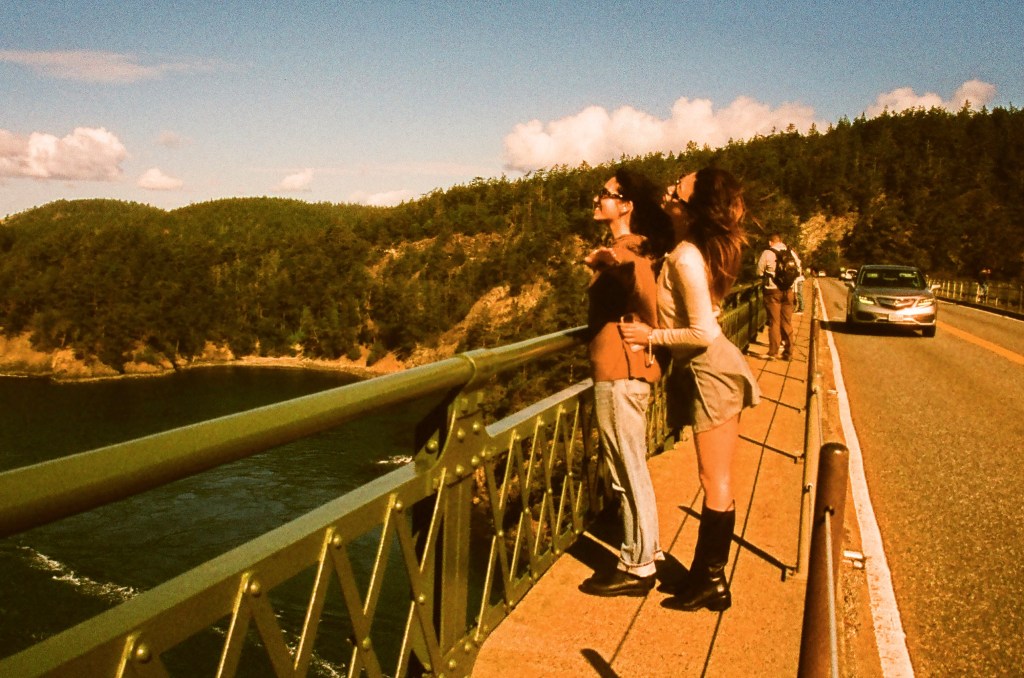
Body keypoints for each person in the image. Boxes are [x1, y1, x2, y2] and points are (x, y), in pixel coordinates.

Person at [620, 168, 761, 612]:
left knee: (714, 479)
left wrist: (651, 336)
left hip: (709, 370)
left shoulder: (686, 258)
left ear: (691, 208)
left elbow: (701, 332)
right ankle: (705, 577)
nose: (668, 191)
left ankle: (711, 581)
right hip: (709, 369)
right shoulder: (687, 250)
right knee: (717, 478)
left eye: (677, 189)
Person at [578, 167, 673, 597]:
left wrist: (610, 264)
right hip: (625, 370)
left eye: (607, 193)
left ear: (626, 205)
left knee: (626, 468)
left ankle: (637, 565)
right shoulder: (635, 248)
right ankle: (647, 551)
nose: (598, 198)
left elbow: (637, 283)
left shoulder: (627, 250)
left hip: (620, 372)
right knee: (630, 466)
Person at [756, 233, 802, 360]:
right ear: (780, 241)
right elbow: (798, 271)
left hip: (773, 291)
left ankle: (773, 352)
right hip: (788, 291)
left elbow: (759, 272)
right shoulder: (791, 253)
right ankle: (788, 352)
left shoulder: (767, 253)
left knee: (774, 322)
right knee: (787, 322)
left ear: (770, 242)